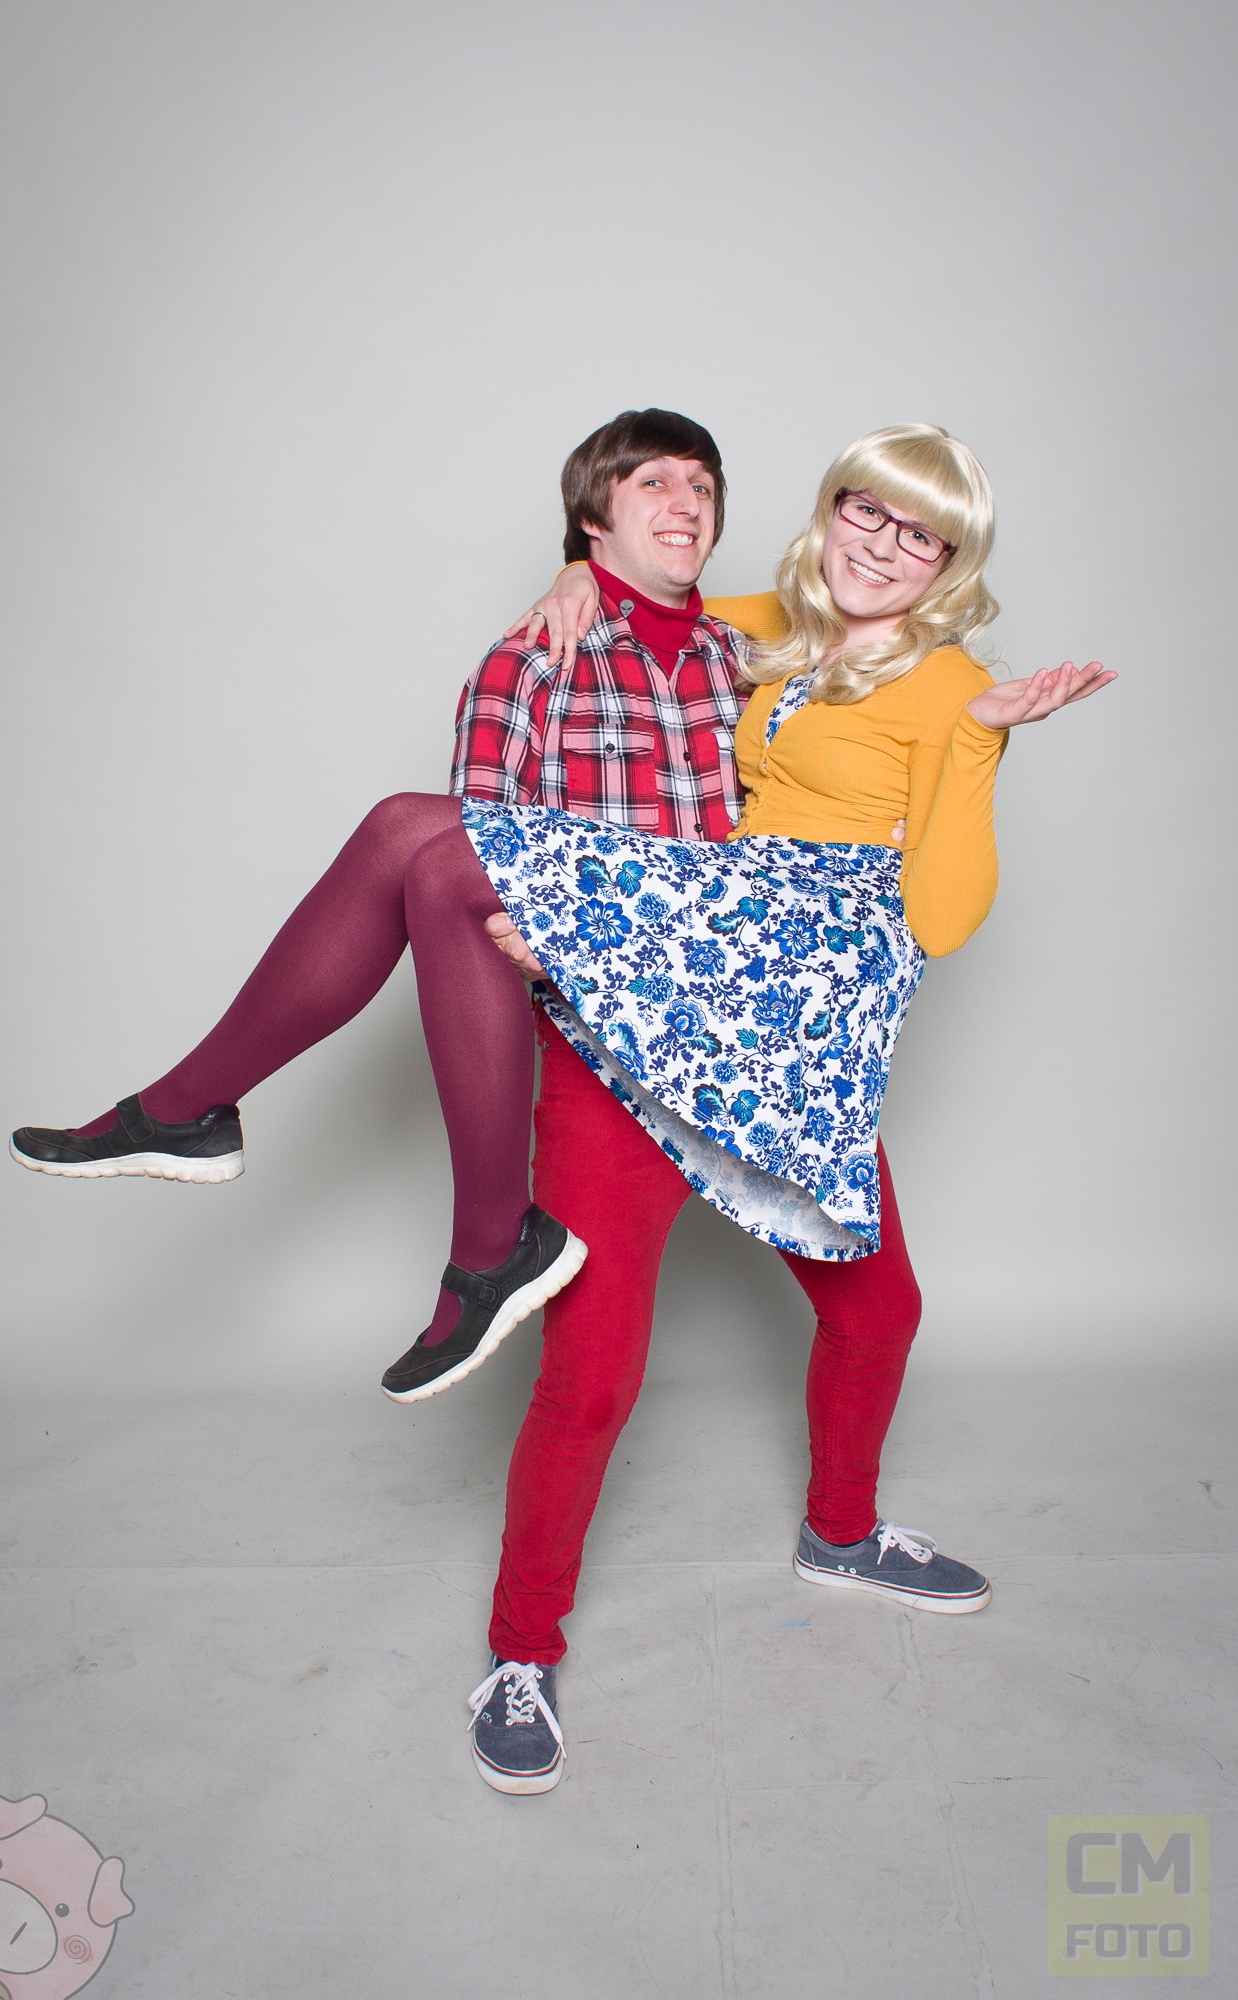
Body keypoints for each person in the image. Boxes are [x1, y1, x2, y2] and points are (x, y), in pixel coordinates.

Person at [460, 416, 1112, 1795]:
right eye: (867, 512)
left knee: (878, 1308)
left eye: (921, 534)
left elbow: (945, 915)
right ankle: (521, 1649)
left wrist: (981, 743)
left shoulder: (953, 686)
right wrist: (572, 572)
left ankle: (841, 1532)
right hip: (639, 1014)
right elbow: (648, 600)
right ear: (830, 512)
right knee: (594, 1369)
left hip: (781, 1043)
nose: (884, 547)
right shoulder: (763, 626)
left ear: (950, 562)